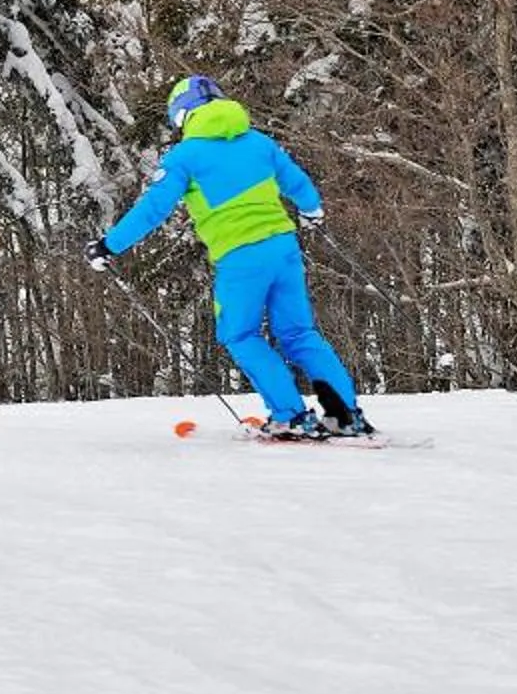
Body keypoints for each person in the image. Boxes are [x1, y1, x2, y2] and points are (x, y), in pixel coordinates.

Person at [82, 74, 372, 441]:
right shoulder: (259, 142)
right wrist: (311, 211)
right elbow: (297, 182)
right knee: (299, 333)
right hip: (284, 248)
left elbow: (153, 209)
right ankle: (347, 415)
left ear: (182, 117)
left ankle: (290, 416)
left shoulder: (185, 156)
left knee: (240, 333)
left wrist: (110, 245)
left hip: (240, 257)